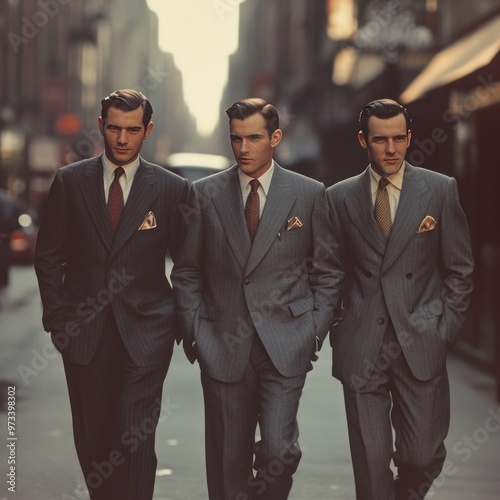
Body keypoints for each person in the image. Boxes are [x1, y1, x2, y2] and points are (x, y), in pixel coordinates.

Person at [171, 97, 342, 500]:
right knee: (228, 465)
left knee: (280, 451)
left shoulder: (309, 193)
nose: (244, 148)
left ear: (275, 138)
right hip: (222, 343)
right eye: (236, 139)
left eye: (254, 138)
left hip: (286, 343)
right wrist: (197, 332)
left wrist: (314, 330)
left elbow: (328, 270)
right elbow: (186, 270)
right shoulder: (204, 194)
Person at [34, 89, 189, 500]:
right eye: (114, 128)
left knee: (136, 442)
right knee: (94, 440)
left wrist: (175, 322)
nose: (122, 139)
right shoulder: (70, 181)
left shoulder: (171, 189)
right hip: (84, 334)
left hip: (147, 335)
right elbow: (48, 256)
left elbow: (188, 264)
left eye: (132, 130)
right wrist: (58, 321)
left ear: (148, 131)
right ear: (101, 126)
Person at [326, 98, 474, 500]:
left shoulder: (440, 190)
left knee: (422, 455)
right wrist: (338, 329)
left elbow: (460, 268)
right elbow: (329, 273)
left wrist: (445, 330)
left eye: (398, 139)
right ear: (363, 140)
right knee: (372, 469)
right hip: (362, 346)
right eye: (380, 140)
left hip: (420, 340)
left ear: (409, 138)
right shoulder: (338, 199)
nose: (390, 149)